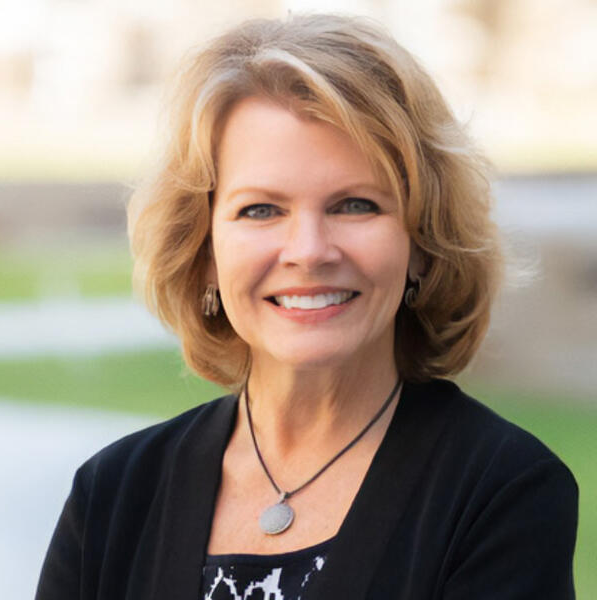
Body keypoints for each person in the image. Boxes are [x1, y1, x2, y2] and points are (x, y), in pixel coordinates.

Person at [36, 13, 578, 600]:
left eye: (355, 205)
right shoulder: (113, 496)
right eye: (261, 210)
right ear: (205, 253)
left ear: (422, 244)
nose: (309, 251)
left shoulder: (504, 493)